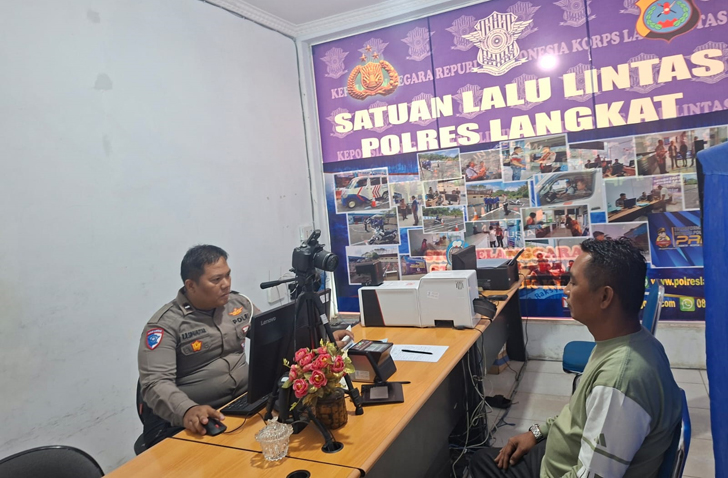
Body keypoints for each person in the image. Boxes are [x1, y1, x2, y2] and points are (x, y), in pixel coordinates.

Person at [469, 238, 681, 478]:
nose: (566, 290)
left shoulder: (619, 381)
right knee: (482, 459)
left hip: (562, 470)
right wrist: (537, 433)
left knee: (482, 465)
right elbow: (578, 414)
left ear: (605, 297)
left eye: (573, 282)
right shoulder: (626, 342)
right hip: (561, 454)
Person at [138, 245, 354, 448]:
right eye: (216, 279)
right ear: (191, 285)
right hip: (200, 418)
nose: (226, 284)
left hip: (246, 403)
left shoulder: (238, 304)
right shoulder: (165, 325)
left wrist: (320, 340)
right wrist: (187, 410)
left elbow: (280, 340)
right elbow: (155, 383)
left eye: (227, 275)